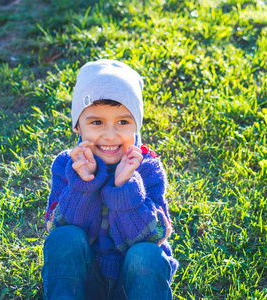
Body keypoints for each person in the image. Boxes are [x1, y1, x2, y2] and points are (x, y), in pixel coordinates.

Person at [41, 59, 178, 299]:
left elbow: (154, 236)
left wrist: (124, 186)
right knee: (64, 238)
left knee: (147, 254)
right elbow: (58, 229)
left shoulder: (147, 168)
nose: (110, 135)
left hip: (133, 283)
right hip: (84, 278)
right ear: (77, 127)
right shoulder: (67, 165)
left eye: (123, 122)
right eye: (96, 122)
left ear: (137, 125)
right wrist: (83, 183)